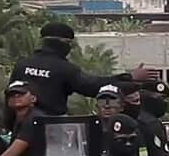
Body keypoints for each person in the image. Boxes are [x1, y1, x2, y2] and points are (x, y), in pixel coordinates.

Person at [9, 20, 149, 116]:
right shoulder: (64, 69)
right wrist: (130, 78)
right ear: (64, 43)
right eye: (70, 44)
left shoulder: (21, 65)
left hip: (19, 132)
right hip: (50, 131)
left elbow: (9, 99)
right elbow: (94, 87)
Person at [0, 81, 46, 156]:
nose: (16, 96)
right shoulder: (18, 120)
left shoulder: (34, 119)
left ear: (33, 98)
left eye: (21, 94)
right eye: (11, 95)